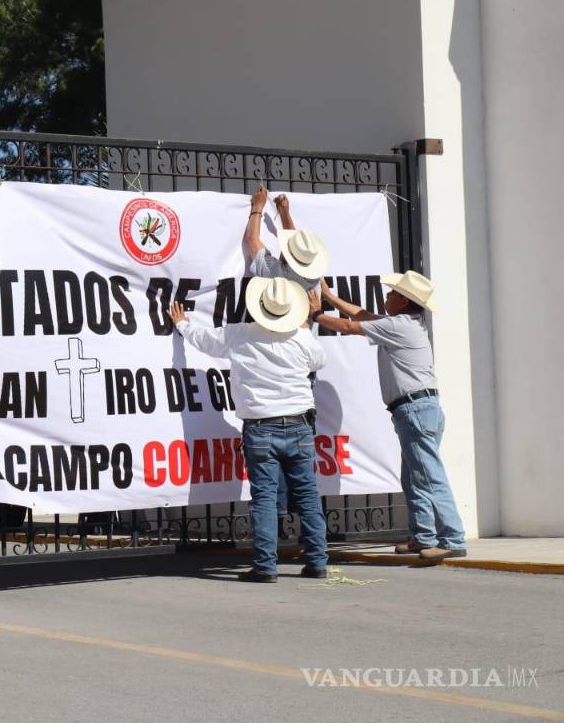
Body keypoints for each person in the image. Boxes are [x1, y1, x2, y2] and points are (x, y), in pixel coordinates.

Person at [170, 277, 329, 582]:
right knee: (308, 495)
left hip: (261, 427)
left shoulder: (239, 334)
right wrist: (307, 325)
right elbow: (319, 359)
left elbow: (204, 339)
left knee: (265, 498)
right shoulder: (301, 336)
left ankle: (266, 566)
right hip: (298, 424)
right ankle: (317, 561)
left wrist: (182, 324)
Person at [312, 270, 467, 561]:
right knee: (414, 478)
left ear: (405, 302)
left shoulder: (399, 326)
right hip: (416, 409)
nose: (387, 296)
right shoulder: (401, 323)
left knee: (429, 476)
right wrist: (331, 297)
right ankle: (423, 536)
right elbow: (364, 315)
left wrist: (316, 313)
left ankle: (452, 537)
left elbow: (349, 326)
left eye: (394, 293)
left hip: (415, 410)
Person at [243, 185, 330, 517]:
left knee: (271, 440)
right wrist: (284, 213)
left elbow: (253, 244)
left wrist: (257, 209)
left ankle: (278, 510)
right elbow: (297, 249)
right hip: (303, 363)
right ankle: (298, 507)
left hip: (274, 361)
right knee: (300, 441)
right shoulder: (312, 274)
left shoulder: (274, 272)